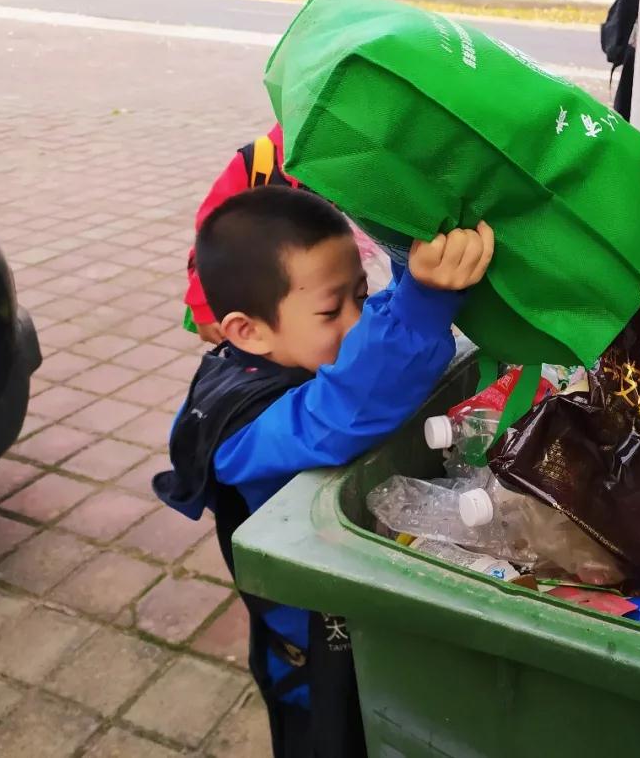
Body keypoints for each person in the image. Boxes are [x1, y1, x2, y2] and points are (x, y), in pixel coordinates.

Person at [154, 186, 494, 757]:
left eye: (362, 294)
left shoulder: (277, 354)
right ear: (248, 331)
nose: (357, 322)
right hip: (308, 650)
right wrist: (425, 304)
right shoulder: (244, 428)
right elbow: (343, 410)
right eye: (332, 311)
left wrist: (408, 274)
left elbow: (370, 341)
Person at [182, 123, 389, 345]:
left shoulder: (377, 162)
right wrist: (204, 306)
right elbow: (214, 236)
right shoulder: (260, 161)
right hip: (274, 317)